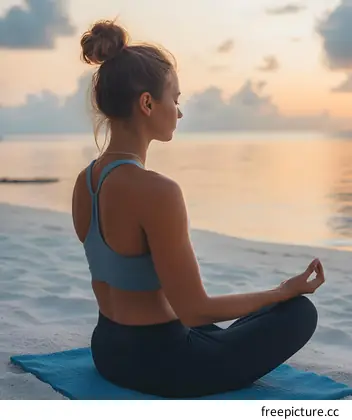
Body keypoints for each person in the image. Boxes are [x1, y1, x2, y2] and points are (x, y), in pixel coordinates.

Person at [70, 20, 324, 398]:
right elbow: (194, 311)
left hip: (107, 349)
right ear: (147, 103)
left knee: (233, 321)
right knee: (299, 312)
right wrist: (281, 291)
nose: (179, 111)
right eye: (175, 98)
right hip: (163, 364)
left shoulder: (84, 182)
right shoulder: (157, 191)